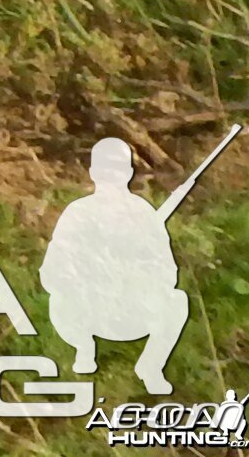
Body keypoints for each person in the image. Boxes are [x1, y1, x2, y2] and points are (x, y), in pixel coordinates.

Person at [42, 137, 194, 394]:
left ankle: (151, 367)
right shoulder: (78, 212)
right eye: (105, 169)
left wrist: (136, 273)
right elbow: (53, 269)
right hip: (88, 308)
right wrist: (87, 274)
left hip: (131, 308)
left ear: (128, 173)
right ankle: (84, 349)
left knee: (177, 301)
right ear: (93, 173)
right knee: (60, 301)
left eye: (117, 168)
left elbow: (167, 270)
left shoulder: (143, 213)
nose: (111, 175)